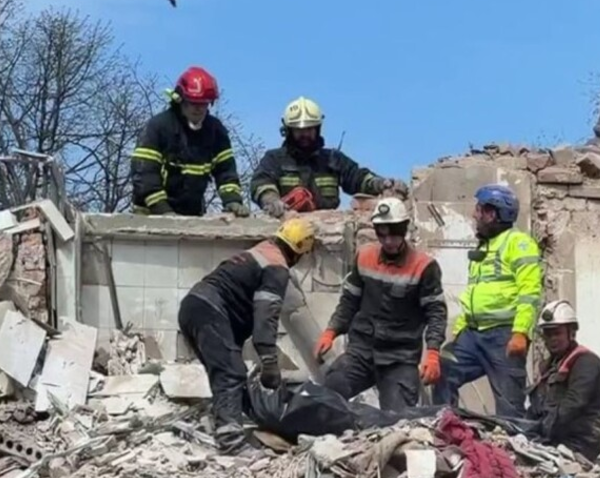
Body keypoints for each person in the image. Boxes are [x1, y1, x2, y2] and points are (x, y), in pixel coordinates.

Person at [178, 219, 317, 454]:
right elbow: (266, 315)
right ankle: (231, 442)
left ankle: (230, 423)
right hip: (210, 309)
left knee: (229, 372)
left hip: (194, 307)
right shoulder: (277, 267)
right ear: (300, 251)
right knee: (230, 373)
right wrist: (269, 362)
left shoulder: (259, 251)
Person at [315, 197, 446, 411]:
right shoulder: (364, 256)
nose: (388, 241)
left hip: (400, 358)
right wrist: (332, 330)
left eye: (393, 235)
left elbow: (436, 314)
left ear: (404, 229)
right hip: (361, 352)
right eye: (382, 235)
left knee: (397, 419)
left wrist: (432, 353)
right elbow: (350, 300)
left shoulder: (424, 266)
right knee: (328, 395)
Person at [433, 184, 542, 419]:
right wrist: (460, 331)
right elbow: (473, 293)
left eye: (479, 209)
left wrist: (521, 332)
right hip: (472, 335)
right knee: (444, 368)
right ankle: (447, 428)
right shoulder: (483, 247)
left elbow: (529, 292)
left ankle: (513, 441)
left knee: (510, 408)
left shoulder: (518, 243)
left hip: (504, 336)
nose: (475, 215)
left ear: (492, 214)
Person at [250, 97, 408, 217]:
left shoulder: (333, 160)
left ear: (318, 128)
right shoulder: (274, 159)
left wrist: (381, 184)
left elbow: (357, 178)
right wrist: (271, 200)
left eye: (309, 129)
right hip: (284, 230)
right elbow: (261, 182)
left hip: (327, 230)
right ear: (288, 131)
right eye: (299, 130)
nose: (305, 134)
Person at [130, 66, 250, 218]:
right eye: (193, 102)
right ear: (180, 100)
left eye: (203, 103)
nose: (198, 109)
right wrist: (163, 210)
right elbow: (144, 174)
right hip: (150, 214)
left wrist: (232, 200)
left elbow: (226, 171)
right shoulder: (158, 127)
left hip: (192, 215)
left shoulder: (215, 131)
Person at [527, 300, 600, 460]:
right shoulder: (549, 366)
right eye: (548, 334)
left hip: (581, 442)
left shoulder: (587, 362)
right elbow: (536, 408)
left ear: (571, 333)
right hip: (553, 439)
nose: (552, 339)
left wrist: (543, 428)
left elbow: (574, 402)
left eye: (557, 333)